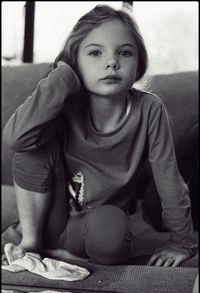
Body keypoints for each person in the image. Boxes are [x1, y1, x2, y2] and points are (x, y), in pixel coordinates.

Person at [3, 3, 197, 266]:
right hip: (48, 218)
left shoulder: (149, 110)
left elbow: (170, 181)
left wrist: (182, 242)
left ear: (138, 64)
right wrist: (61, 78)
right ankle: (32, 241)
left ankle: (64, 254)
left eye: (125, 53)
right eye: (95, 52)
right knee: (32, 146)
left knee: (112, 233)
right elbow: (16, 140)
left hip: (96, 224)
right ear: (75, 63)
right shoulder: (64, 104)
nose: (111, 62)